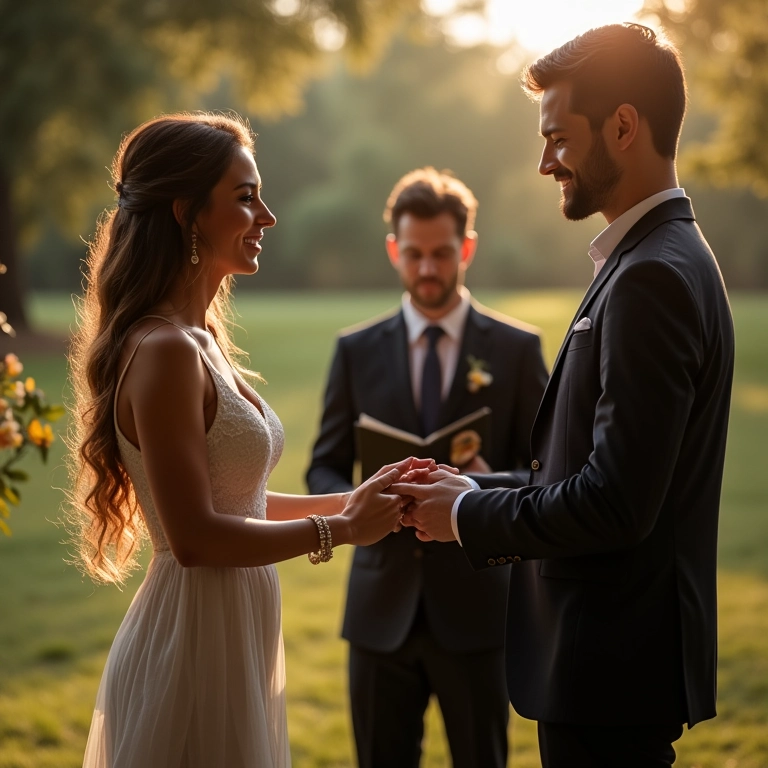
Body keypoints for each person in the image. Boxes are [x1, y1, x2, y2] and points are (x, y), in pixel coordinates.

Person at [394, 24, 735, 768]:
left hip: (609, 667)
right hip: (608, 668)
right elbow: (594, 471)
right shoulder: (652, 257)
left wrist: (465, 516)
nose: (545, 162)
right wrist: (475, 488)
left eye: (558, 139)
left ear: (623, 126)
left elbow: (615, 504)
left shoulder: (651, 276)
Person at [67, 112, 419, 768]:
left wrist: (353, 501)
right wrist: (341, 531)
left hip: (233, 627)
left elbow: (238, 502)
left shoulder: (201, 340)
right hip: (195, 637)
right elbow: (196, 538)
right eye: (247, 197)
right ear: (188, 213)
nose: (268, 217)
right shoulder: (165, 350)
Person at [306, 167, 548, 768]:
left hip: (477, 612)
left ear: (467, 248)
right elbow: (323, 468)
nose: (427, 269)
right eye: (413, 254)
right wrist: (361, 504)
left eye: (441, 254)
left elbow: (550, 475)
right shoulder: (355, 350)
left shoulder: (516, 349)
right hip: (378, 612)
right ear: (394, 250)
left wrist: (480, 488)